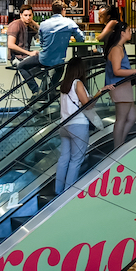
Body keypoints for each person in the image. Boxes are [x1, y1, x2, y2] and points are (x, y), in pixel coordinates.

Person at [56, 57, 112, 194]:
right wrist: (100, 92)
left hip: (64, 125)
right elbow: (88, 106)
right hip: (78, 125)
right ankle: (68, 193)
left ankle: (58, 191)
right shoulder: (78, 83)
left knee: (64, 158)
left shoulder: (65, 84)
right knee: (76, 160)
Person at [16, 1, 85, 97]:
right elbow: (81, 39)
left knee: (21, 66)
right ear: (63, 10)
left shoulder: (44, 24)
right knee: (60, 68)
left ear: (52, 11)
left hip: (44, 59)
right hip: (59, 60)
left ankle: (36, 90)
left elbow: (41, 43)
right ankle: (50, 89)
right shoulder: (69, 23)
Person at [103, 22, 136, 148]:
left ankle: (120, 144)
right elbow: (117, 70)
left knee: (132, 116)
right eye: (129, 30)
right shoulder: (117, 49)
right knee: (122, 119)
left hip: (123, 85)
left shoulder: (119, 47)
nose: (131, 33)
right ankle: (118, 148)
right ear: (122, 33)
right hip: (119, 86)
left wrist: (134, 75)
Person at [6, 5, 38, 72]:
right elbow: (10, 45)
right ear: (21, 15)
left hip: (25, 57)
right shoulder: (16, 24)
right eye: (25, 15)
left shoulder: (29, 26)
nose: (28, 17)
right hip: (16, 58)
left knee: (43, 67)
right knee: (32, 69)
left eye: (30, 15)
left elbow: (42, 33)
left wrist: (34, 23)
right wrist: (29, 53)